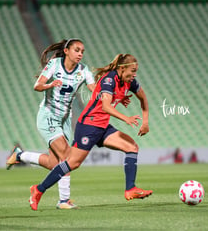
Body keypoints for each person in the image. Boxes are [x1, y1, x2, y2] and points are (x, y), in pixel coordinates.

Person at [28, 53, 153, 211]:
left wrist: (146, 122)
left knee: (132, 147)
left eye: (136, 71)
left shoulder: (129, 82)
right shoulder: (109, 79)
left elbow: (143, 98)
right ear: (122, 69)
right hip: (89, 125)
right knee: (72, 163)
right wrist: (126, 118)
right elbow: (106, 106)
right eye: (132, 71)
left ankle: (130, 189)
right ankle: (38, 190)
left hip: (102, 127)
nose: (134, 75)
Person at [6, 39, 95, 209]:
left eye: (82, 51)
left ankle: (19, 155)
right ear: (67, 50)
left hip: (65, 120)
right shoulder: (54, 64)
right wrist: (50, 84)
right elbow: (37, 85)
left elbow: (94, 89)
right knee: (67, 157)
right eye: (77, 50)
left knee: (54, 164)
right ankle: (63, 201)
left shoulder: (83, 71)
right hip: (48, 116)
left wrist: (107, 94)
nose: (80, 54)